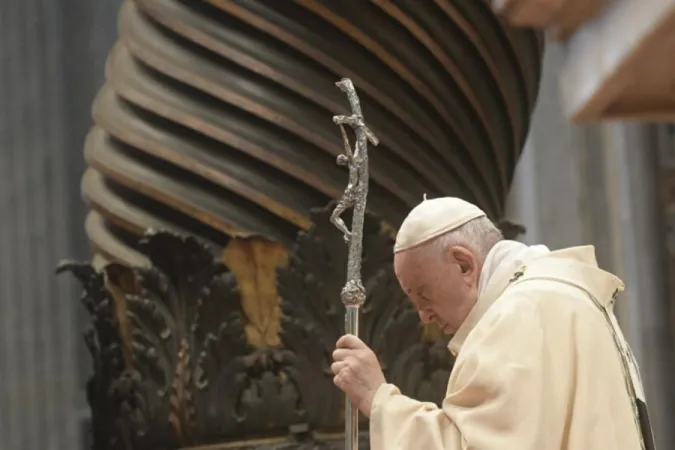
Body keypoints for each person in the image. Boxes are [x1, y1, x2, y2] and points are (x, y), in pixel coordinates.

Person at [331, 196, 655, 449]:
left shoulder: (520, 313)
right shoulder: (561, 295)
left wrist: (379, 399)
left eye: (424, 294)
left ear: (463, 263)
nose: (423, 315)